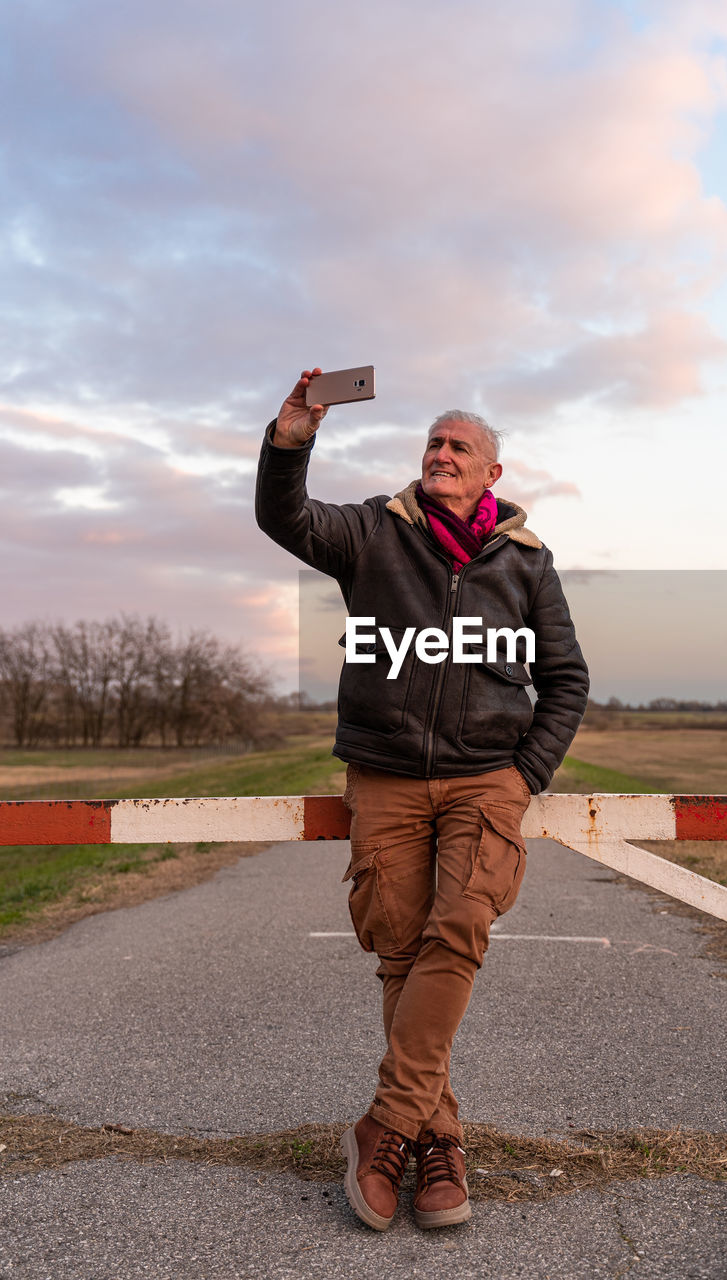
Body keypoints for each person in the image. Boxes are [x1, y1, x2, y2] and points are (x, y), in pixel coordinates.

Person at [255, 368, 589, 1231]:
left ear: (490, 475)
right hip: (386, 773)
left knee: (459, 929)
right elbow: (283, 518)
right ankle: (438, 1141)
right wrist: (292, 437)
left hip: (487, 775)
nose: (441, 455)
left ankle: (386, 1127)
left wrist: (524, 775)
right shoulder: (372, 531)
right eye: (434, 444)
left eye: (459, 448)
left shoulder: (526, 561)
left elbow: (565, 681)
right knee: (400, 948)